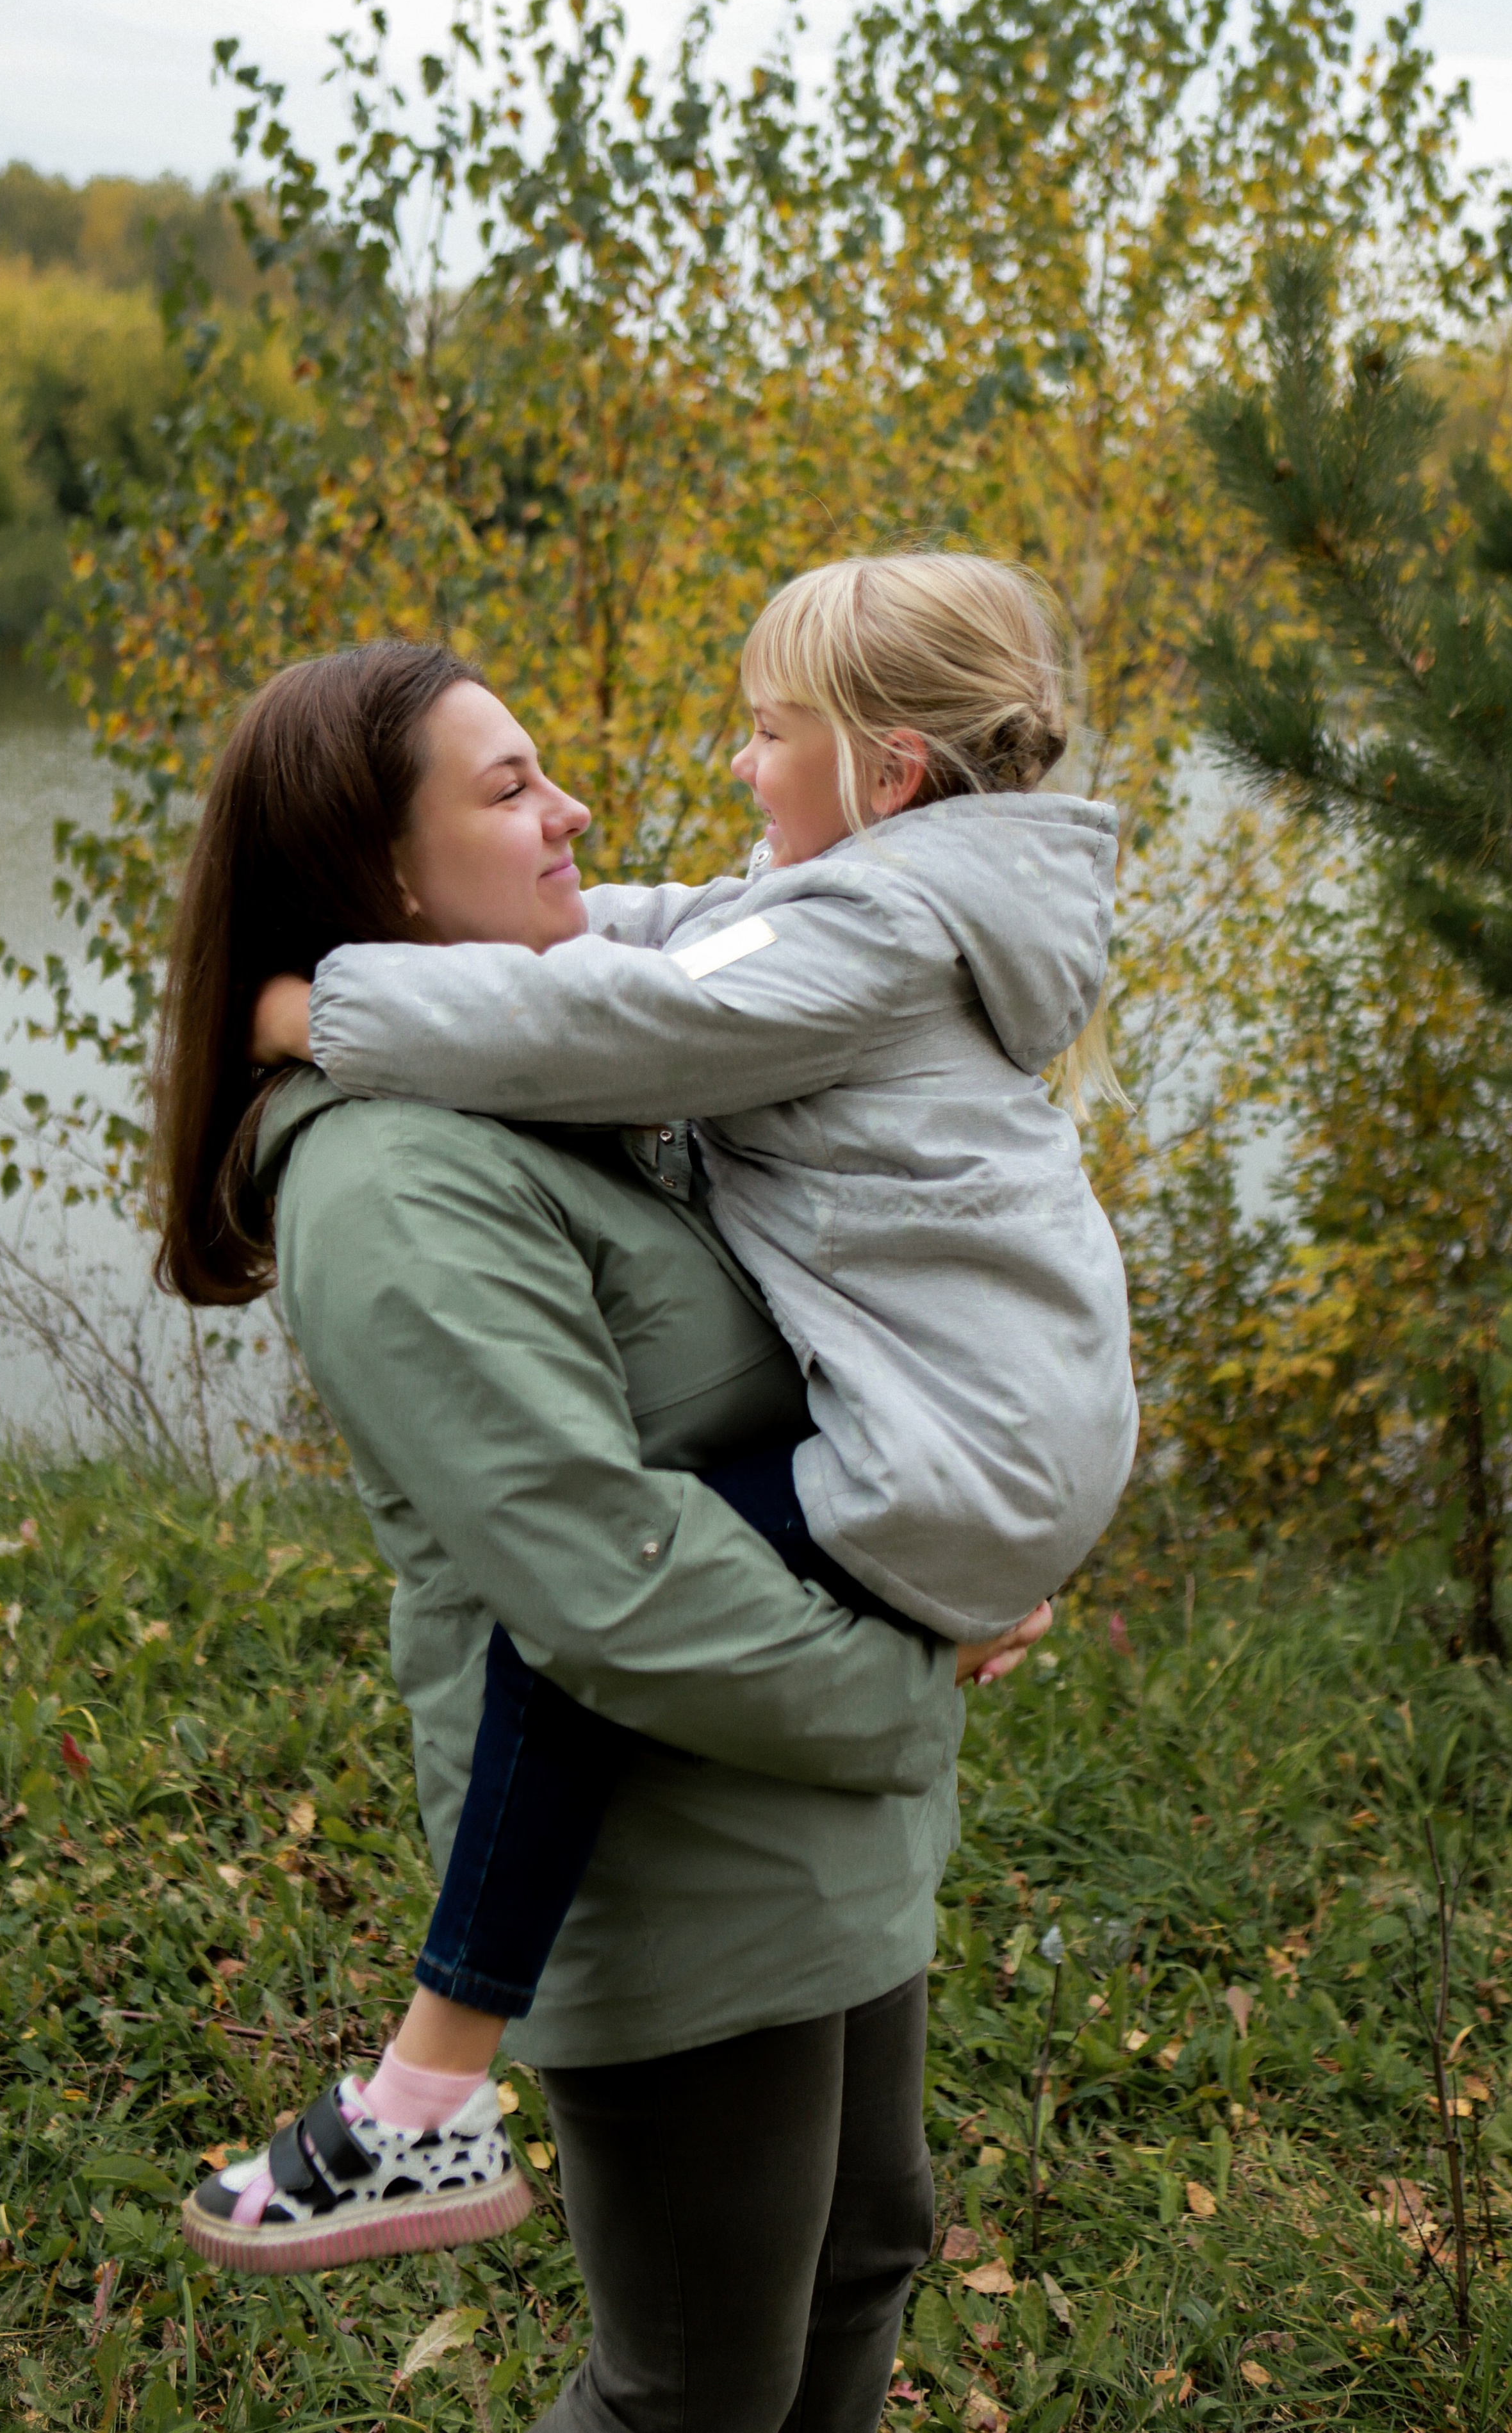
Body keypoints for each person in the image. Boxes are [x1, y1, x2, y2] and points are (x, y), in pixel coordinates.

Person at [152, 637, 1048, 2429]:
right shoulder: (399, 1177)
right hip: (674, 1856)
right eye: (509, 792)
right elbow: (597, 1579)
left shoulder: (561, 1078)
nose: (572, 814)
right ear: (385, 877)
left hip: (800, 1822)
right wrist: (909, 1673)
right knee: (693, 2388)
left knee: (869, 2253)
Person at [247, 551, 1137, 2186]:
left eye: (763, 732)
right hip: (1012, 1419)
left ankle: (430, 2081)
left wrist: (326, 1007)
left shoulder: (868, 931)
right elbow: (676, 934)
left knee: (579, 1618)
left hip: (971, 1443)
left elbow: (606, 1026)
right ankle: (430, 2085)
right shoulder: (906, 890)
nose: (735, 764)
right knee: (610, 1585)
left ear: (885, 771)